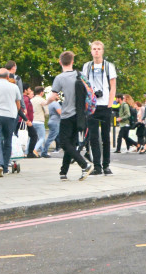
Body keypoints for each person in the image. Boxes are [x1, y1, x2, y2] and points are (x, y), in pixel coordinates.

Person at [49, 51, 90, 181]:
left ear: (60, 62)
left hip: (67, 114)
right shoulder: (81, 75)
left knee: (64, 143)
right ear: (72, 61)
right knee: (71, 143)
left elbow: (53, 96)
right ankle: (63, 172)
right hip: (80, 114)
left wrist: (45, 102)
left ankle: (84, 164)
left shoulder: (60, 78)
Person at [81, 40, 117, 175]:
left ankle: (106, 165)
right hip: (92, 106)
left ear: (102, 51)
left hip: (105, 105)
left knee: (106, 137)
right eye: (94, 49)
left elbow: (113, 86)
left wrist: (110, 103)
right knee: (93, 137)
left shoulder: (109, 66)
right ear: (91, 51)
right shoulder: (87, 66)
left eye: (99, 49)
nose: (96, 51)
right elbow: (84, 84)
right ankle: (97, 166)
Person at [29, 86, 48, 158]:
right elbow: (47, 112)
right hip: (40, 121)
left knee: (32, 137)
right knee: (41, 138)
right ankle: (35, 149)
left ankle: (28, 151)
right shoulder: (42, 100)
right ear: (41, 92)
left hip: (32, 120)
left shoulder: (31, 100)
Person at [43, 91, 62, 157]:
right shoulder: (55, 104)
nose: (58, 96)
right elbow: (60, 113)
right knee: (51, 138)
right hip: (55, 121)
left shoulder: (50, 104)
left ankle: (57, 147)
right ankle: (44, 152)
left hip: (51, 120)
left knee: (53, 136)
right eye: (57, 95)